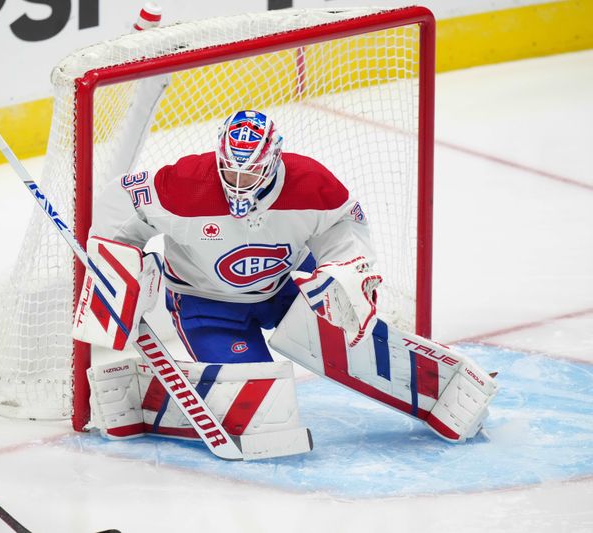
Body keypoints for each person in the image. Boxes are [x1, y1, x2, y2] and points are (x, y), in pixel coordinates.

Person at [74, 109, 497, 446]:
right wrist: (124, 262)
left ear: (273, 161)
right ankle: (139, 397)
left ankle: (430, 387)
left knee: (348, 321)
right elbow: (122, 202)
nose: (238, 184)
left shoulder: (311, 183)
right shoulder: (183, 184)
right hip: (207, 306)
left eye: (250, 174)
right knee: (262, 415)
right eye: (231, 171)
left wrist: (342, 271)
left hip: (283, 291)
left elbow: (342, 228)